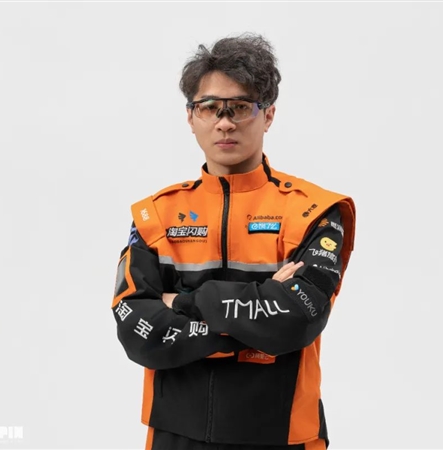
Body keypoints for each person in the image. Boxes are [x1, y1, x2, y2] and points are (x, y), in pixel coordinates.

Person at [111, 33, 356, 450]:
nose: (224, 122)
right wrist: (253, 323)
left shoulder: (314, 211)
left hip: (283, 435)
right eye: (209, 107)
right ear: (191, 117)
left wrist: (181, 302)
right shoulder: (155, 215)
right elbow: (136, 329)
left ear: (269, 114)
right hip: (175, 435)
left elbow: (298, 317)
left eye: (240, 107)